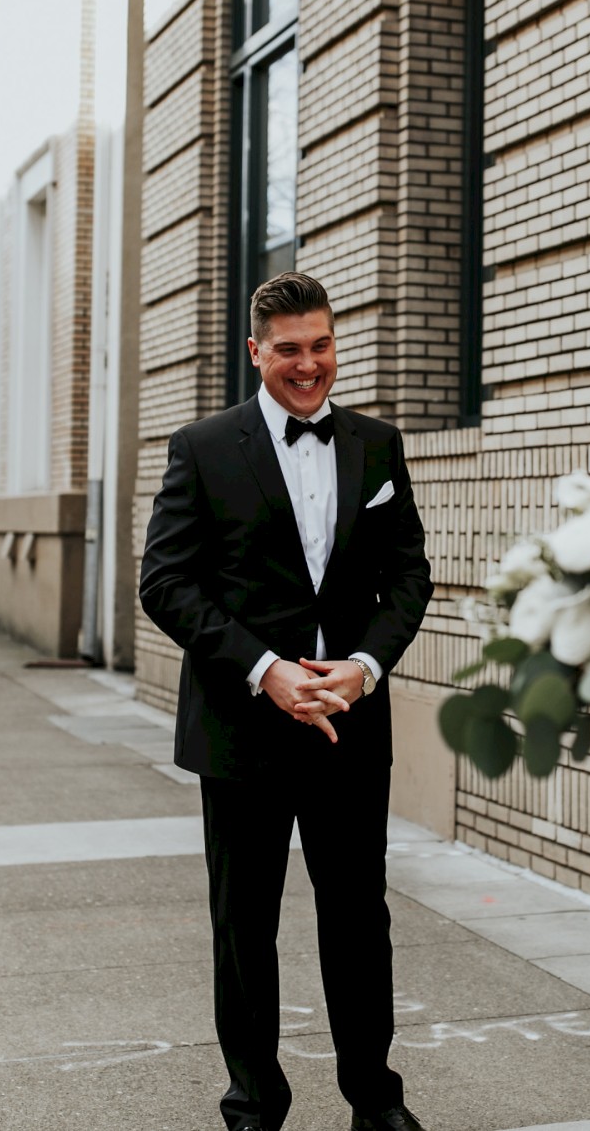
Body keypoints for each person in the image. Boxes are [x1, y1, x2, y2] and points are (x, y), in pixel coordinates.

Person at [140, 272, 434, 1131]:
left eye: (323, 345)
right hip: (244, 730)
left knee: (358, 923)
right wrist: (264, 666)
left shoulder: (378, 446)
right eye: (291, 350)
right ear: (256, 352)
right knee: (244, 927)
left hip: (347, 727)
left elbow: (408, 573)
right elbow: (165, 581)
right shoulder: (202, 446)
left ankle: (375, 1102)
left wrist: (366, 666)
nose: (310, 366)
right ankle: (254, 1102)